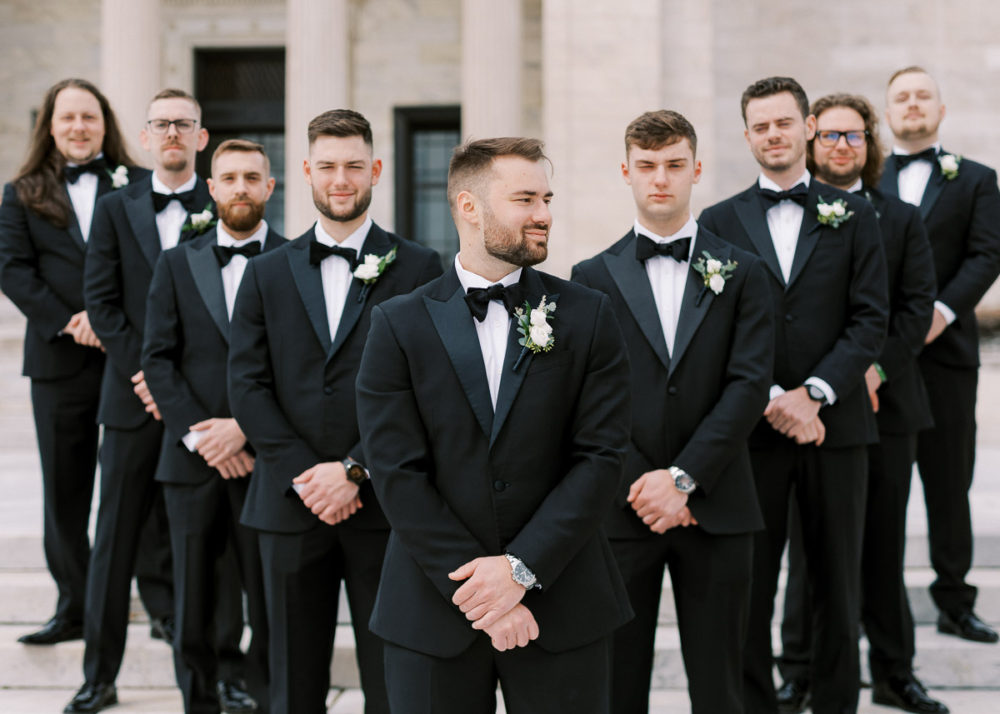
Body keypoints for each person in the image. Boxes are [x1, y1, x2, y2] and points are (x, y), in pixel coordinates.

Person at [355, 136, 633, 714]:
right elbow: (396, 470)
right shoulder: (398, 324)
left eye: (548, 198)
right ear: (469, 206)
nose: (544, 215)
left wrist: (522, 570)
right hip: (431, 612)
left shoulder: (588, 315)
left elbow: (602, 456)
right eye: (525, 199)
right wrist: (485, 594)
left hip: (564, 604)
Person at [228, 109, 441, 714]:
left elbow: (426, 391)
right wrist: (307, 474)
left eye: (353, 165)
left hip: (386, 504)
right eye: (327, 166)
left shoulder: (420, 267)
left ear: (375, 169)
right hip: (289, 503)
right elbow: (247, 384)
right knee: (290, 681)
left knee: (392, 673)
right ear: (305, 172)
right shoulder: (265, 271)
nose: (340, 178)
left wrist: (352, 469)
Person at [571, 110, 773, 714]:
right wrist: (643, 483)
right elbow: (588, 400)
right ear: (627, 172)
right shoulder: (589, 279)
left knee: (724, 683)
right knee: (617, 682)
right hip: (621, 511)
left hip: (718, 503)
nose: (661, 178)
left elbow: (748, 384)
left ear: (696, 171)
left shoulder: (742, 271)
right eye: (648, 166)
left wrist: (683, 479)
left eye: (674, 166)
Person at [699, 76, 888, 714]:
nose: (773, 135)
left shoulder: (857, 214)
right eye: (760, 125)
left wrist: (812, 393)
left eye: (784, 123)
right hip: (753, 434)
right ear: (747, 135)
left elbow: (870, 319)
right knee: (750, 582)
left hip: (839, 429)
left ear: (807, 127)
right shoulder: (717, 222)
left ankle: (836, 703)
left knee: (838, 581)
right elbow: (714, 331)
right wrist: (773, 397)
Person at [71, 88, 243, 714]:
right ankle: (98, 675)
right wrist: (147, 371)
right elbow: (102, 302)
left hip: (201, 405)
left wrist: (178, 386)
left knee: (215, 545)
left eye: (184, 124)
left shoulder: (221, 199)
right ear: (145, 138)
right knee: (113, 542)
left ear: (201, 137)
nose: (172, 133)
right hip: (130, 402)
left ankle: (226, 675)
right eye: (161, 124)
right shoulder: (116, 210)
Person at [775, 92, 946, 714]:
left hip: (888, 407)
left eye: (854, 137)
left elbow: (912, 307)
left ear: (868, 145)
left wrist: (870, 371)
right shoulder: (790, 216)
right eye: (831, 136)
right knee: (807, 547)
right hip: (807, 417)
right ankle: (797, 669)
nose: (841, 147)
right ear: (812, 139)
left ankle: (894, 672)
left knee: (879, 547)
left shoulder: (899, 219)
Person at [142, 139, 284, 714]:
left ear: (270, 187)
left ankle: (264, 694)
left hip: (267, 460)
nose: (241, 187)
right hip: (191, 461)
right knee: (193, 599)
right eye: (230, 178)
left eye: (253, 176)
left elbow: (299, 370)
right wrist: (205, 435)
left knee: (271, 597)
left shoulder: (294, 261)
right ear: (212, 187)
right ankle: (197, 701)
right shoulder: (176, 263)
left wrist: (245, 430)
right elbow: (157, 358)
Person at [0, 78, 143, 646]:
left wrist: (111, 322)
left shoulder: (136, 187)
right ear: (51, 126)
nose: (79, 127)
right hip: (59, 360)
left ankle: (159, 602)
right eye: (68, 118)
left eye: (89, 116)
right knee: (65, 488)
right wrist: (71, 319)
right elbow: (13, 270)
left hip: (127, 357)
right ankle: (74, 605)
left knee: (136, 486)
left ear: (104, 124)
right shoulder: (21, 192)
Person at [879, 66, 1000, 645]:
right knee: (884, 487)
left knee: (950, 480)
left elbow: (986, 254)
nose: (912, 104)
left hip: (948, 355)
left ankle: (955, 598)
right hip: (880, 360)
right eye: (901, 97)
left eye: (923, 95)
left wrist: (942, 313)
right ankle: (879, 601)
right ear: (888, 113)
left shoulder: (976, 179)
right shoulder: (865, 184)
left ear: (941, 110)